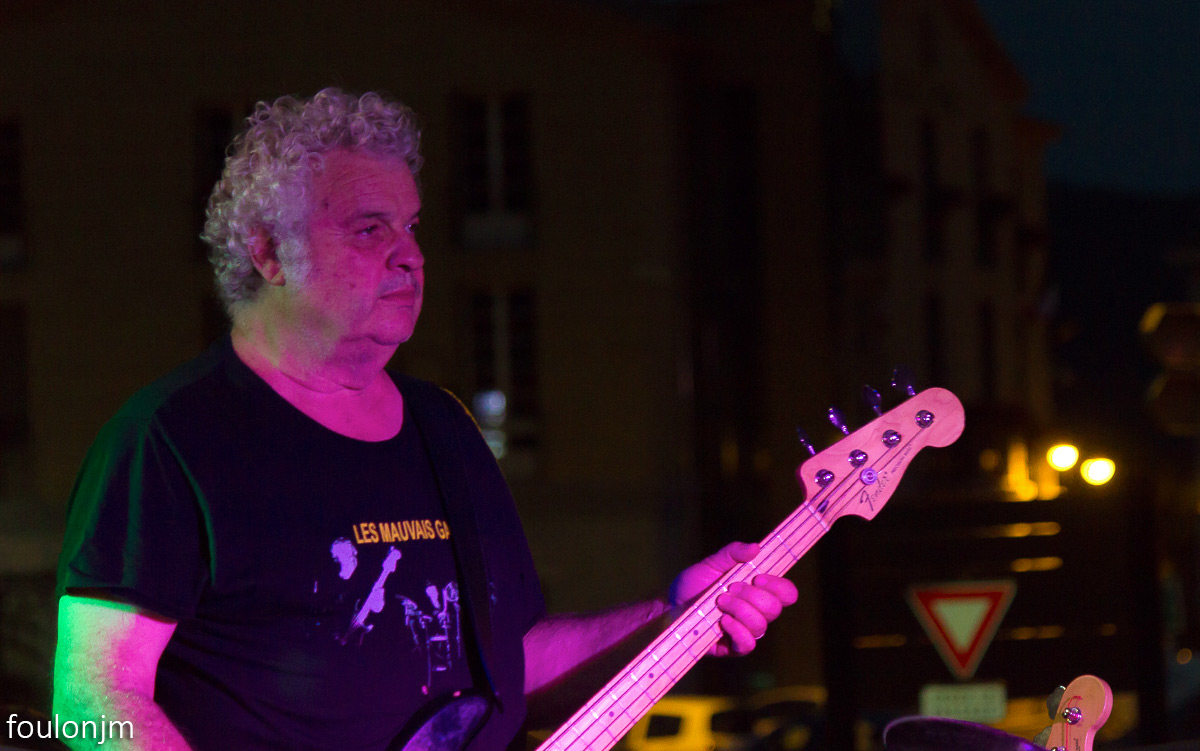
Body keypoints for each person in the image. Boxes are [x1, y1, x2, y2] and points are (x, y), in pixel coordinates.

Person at [52, 88, 798, 751]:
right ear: (270, 253)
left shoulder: (444, 428)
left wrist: (674, 618)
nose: (410, 255)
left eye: (411, 226)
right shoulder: (170, 439)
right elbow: (91, 702)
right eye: (369, 229)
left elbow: (515, 668)